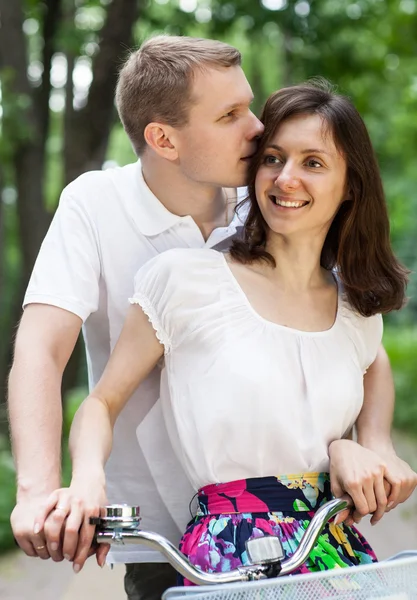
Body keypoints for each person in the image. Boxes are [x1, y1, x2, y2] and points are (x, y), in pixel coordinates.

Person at [7, 35, 415, 598]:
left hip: (314, 529)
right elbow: (42, 351)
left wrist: (371, 442)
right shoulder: (99, 206)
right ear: (163, 139)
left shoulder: (271, 201)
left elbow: (354, 338)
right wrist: (43, 491)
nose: (256, 129)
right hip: (161, 525)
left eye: (250, 105)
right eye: (229, 115)